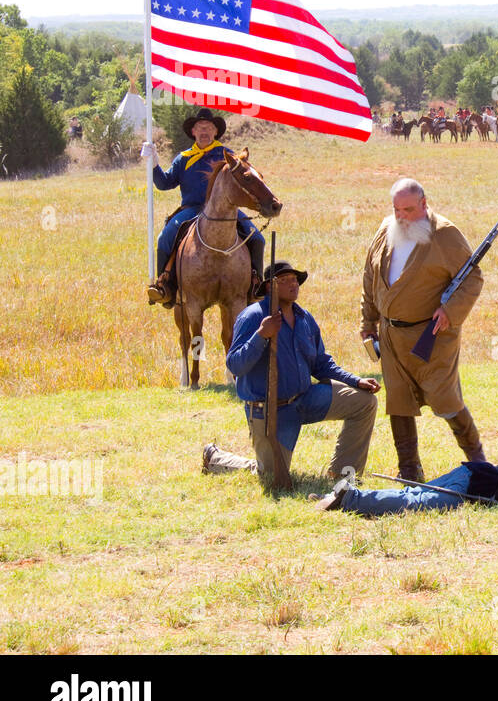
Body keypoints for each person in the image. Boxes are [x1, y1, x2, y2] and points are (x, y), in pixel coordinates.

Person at [205, 261, 380, 486]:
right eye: (285, 280)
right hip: (270, 411)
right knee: (270, 477)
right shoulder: (252, 317)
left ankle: (342, 474)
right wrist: (261, 335)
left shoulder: (305, 318)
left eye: (295, 279)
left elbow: (321, 363)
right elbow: (235, 365)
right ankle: (216, 458)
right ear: (269, 287)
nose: (293, 284)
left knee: (364, 402)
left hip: (305, 398)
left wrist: (355, 380)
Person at [361, 178, 485, 482]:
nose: (401, 216)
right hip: (391, 337)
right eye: (396, 209)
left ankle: (479, 463)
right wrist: (367, 324)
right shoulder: (385, 230)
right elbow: (370, 279)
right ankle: (410, 471)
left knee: (445, 399)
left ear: (424, 204)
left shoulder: (445, 235)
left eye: (408, 209)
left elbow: (472, 278)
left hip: (433, 336)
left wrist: (450, 311)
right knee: (399, 403)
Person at [140, 107, 265, 307]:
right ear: (193, 132)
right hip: (191, 209)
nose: (204, 131)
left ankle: (256, 283)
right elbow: (165, 183)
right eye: (200, 128)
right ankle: (165, 285)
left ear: (216, 132)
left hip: (224, 210)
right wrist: (153, 163)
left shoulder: (227, 156)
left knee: (257, 238)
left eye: (208, 127)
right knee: (165, 238)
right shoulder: (184, 158)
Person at [312, 459, 498, 516]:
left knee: (411, 493)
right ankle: (351, 498)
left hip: (470, 469)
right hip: (476, 484)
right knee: (420, 503)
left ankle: (331, 494)